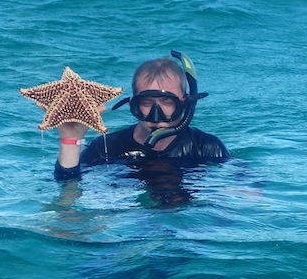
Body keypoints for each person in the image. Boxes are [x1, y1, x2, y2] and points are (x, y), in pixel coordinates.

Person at [54, 51, 229, 181]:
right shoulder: (105, 149)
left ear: (184, 105)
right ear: (134, 106)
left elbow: (239, 189)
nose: (156, 115)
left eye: (167, 102)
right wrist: (70, 140)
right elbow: (68, 189)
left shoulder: (206, 147)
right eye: (146, 102)